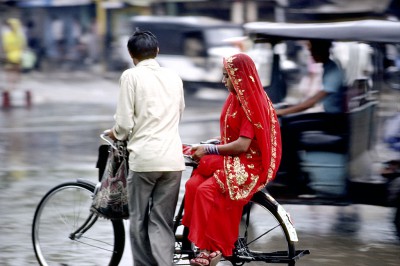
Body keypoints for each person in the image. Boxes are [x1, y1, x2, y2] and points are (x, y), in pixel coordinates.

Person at [182, 53, 282, 266]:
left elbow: (242, 145)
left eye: (227, 77)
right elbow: (232, 138)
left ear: (240, 79)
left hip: (249, 163)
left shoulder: (251, 104)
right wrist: (213, 145)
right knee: (192, 184)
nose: (223, 81)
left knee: (206, 190)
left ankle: (214, 247)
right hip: (235, 158)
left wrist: (209, 149)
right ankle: (198, 239)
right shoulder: (234, 98)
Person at [107, 29, 185, 266]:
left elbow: (123, 124)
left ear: (132, 55)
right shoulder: (174, 76)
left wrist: (116, 133)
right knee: (162, 222)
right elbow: (179, 110)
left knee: (139, 221)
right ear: (157, 51)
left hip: (144, 161)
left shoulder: (130, 76)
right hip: (173, 161)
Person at [275, 40, 348, 193]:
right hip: (330, 116)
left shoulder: (333, 70)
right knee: (287, 123)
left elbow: (310, 103)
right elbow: (312, 101)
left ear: (322, 51)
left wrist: (282, 112)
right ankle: (292, 172)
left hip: (335, 120)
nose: (311, 55)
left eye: (313, 51)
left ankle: (293, 176)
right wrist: (289, 108)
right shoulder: (328, 67)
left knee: (290, 128)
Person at [1, 18, 26, 104]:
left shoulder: (19, 35)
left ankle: (14, 87)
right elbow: (4, 46)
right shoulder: (7, 35)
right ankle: (11, 87)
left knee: (16, 72)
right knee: (10, 72)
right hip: (10, 56)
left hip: (17, 57)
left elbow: (23, 47)